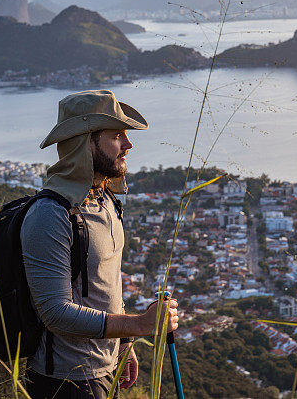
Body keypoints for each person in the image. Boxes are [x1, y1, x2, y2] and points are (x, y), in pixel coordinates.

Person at [21, 90, 179, 399]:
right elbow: (55, 312)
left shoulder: (106, 201)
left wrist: (123, 344)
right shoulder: (50, 214)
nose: (128, 144)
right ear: (85, 142)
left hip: (105, 370)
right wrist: (139, 325)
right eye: (117, 136)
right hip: (65, 381)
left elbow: (104, 283)